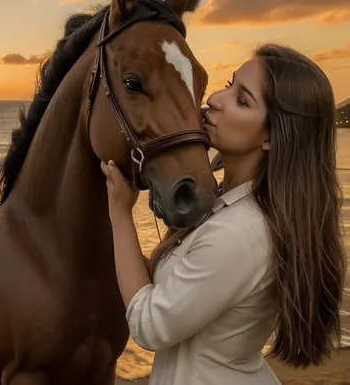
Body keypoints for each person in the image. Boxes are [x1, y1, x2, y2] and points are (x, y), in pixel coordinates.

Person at [100, 43, 347, 385]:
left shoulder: (241, 232)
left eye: (242, 100)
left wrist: (120, 213)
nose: (216, 98)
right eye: (230, 83)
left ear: (272, 138)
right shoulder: (225, 205)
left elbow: (149, 326)